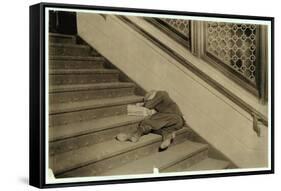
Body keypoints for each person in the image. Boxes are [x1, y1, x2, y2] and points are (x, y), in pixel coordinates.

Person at [116, 90, 184, 151]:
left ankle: (135, 135)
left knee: (148, 121)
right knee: (162, 129)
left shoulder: (161, 93)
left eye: (148, 99)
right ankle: (168, 138)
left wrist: (143, 104)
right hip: (176, 123)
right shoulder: (163, 101)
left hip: (174, 118)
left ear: (152, 95)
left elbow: (149, 105)